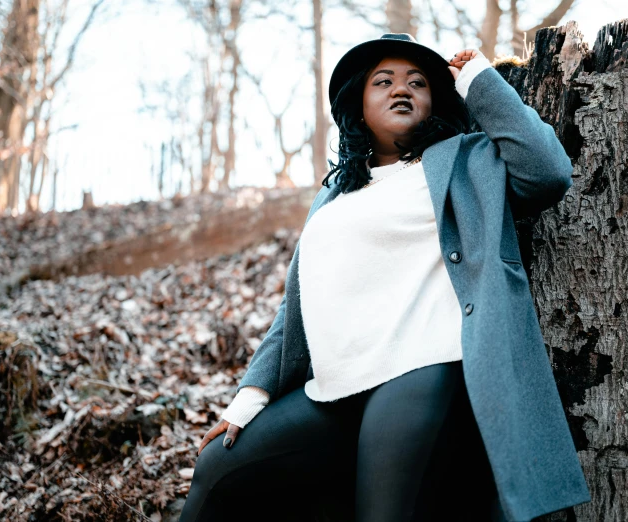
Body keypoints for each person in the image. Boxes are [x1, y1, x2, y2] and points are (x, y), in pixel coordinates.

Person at [178, 34, 591, 522]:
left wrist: (479, 80)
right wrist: (252, 395)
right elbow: (296, 306)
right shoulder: (334, 194)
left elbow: (547, 173)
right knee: (219, 470)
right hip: (334, 388)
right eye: (384, 81)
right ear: (359, 101)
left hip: (422, 369)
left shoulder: (464, 160)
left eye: (418, 82)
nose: (403, 89)